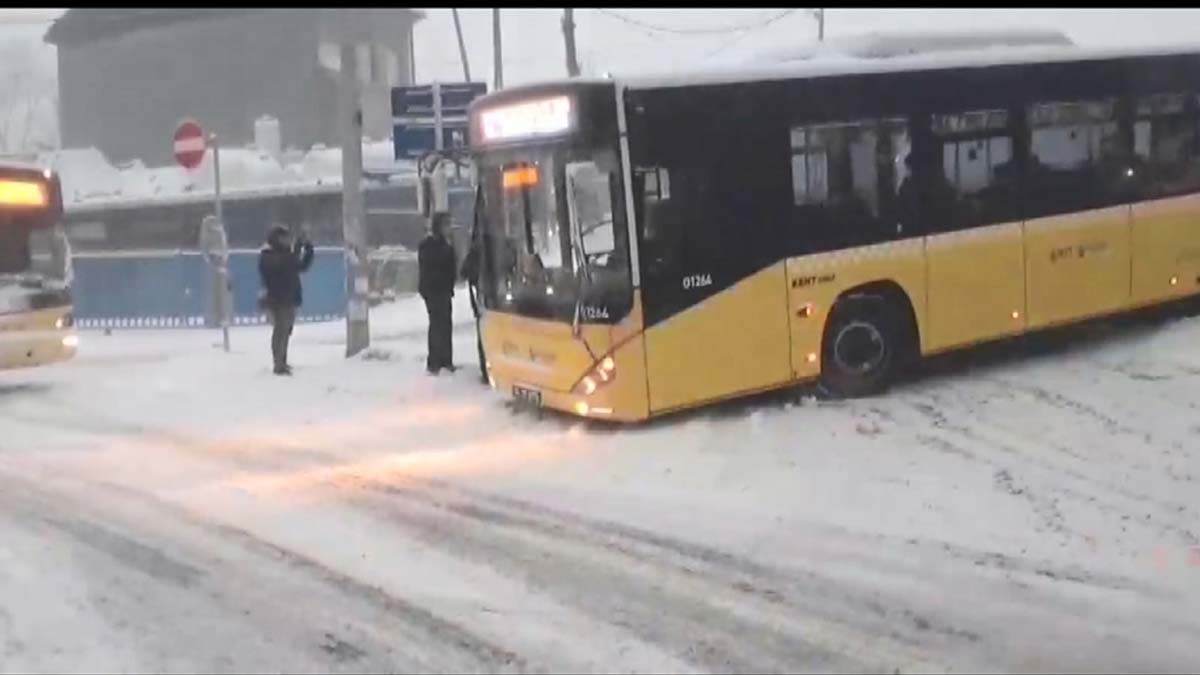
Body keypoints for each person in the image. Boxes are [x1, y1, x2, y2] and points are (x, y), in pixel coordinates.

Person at [258, 224, 314, 376]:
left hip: (289, 297)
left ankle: (282, 360)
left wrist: (307, 248)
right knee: (280, 330)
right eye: (284, 238)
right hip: (277, 299)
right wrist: (295, 249)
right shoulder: (268, 254)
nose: (287, 241)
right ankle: (278, 364)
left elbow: (301, 266)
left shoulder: (285, 254)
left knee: (286, 330)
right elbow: (282, 265)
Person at [418, 212, 458, 374]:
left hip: (444, 290)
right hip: (433, 290)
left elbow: (451, 267)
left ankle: (446, 360)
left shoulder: (448, 244)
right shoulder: (428, 245)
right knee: (437, 325)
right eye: (446, 225)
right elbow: (431, 267)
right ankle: (434, 361)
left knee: (446, 324)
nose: (449, 228)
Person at [459, 226, 489, 384]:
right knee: (484, 333)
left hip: (489, 298)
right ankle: (486, 369)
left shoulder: (498, 247)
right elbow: (465, 272)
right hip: (483, 298)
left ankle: (486, 369)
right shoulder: (477, 252)